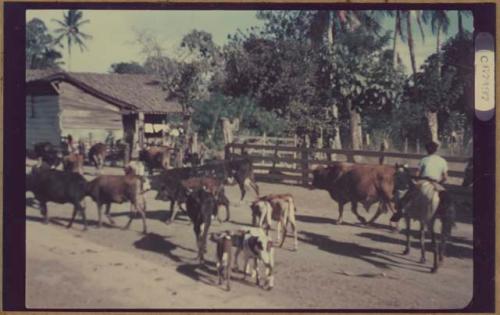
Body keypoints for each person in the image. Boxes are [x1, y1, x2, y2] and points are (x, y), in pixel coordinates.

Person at [391, 141, 448, 223]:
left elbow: (417, 174)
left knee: (407, 195)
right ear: (436, 150)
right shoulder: (442, 160)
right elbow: (445, 177)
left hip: (423, 182)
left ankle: (399, 213)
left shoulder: (424, 160)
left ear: (427, 150)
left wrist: (414, 179)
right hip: (436, 183)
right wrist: (439, 183)